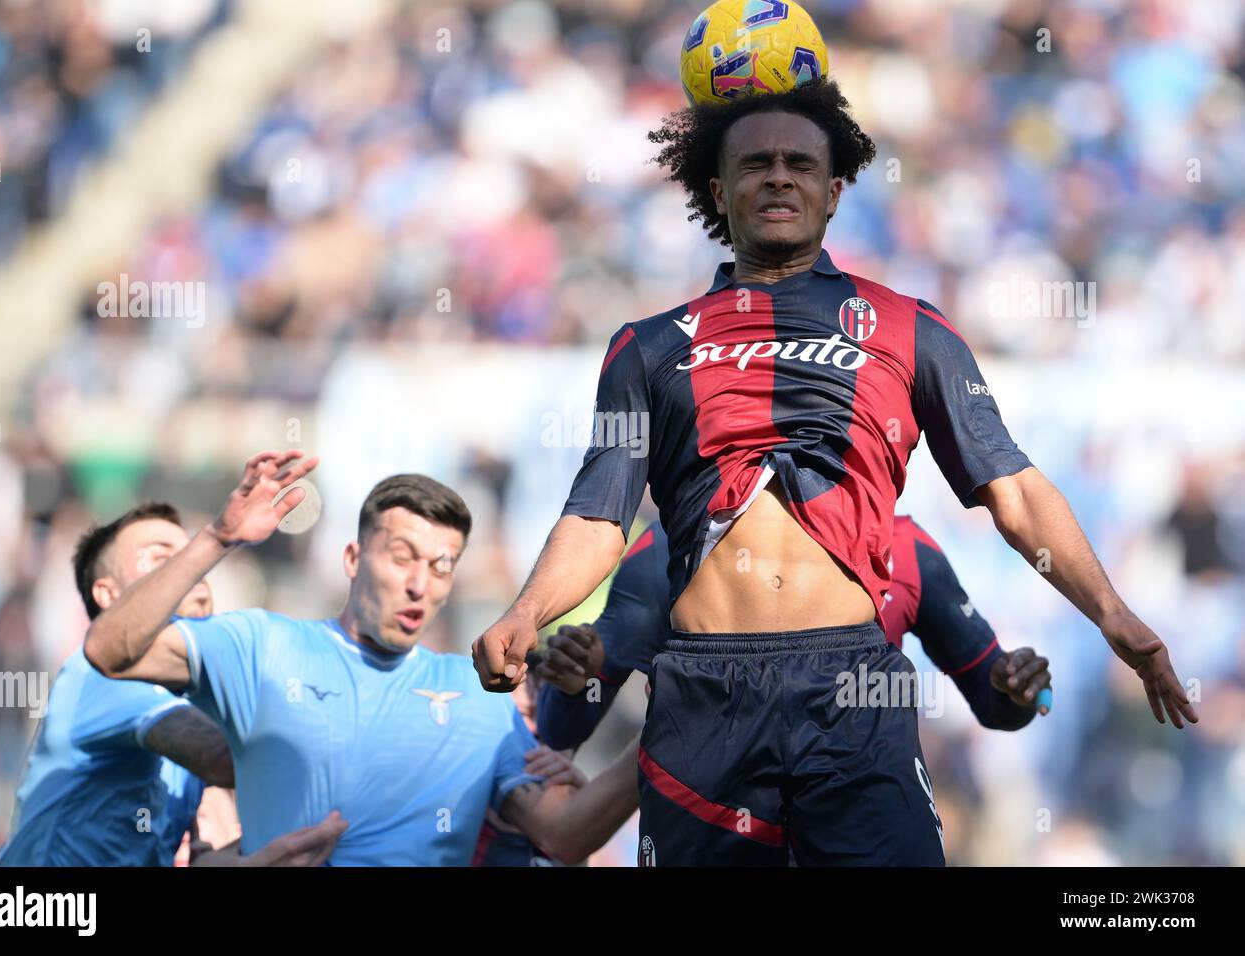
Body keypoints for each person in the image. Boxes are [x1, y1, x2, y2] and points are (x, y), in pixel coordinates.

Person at [472, 80, 1195, 867]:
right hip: (704, 698)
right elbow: (598, 517)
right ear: (719, 189)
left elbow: (1013, 488)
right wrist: (527, 611)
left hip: (852, 685)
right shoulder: (645, 348)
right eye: (755, 163)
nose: (778, 177)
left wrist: (1111, 613)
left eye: (799, 163)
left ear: (835, 188)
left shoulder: (914, 329)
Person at [84, 453, 637, 865]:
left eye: (441, 567)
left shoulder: (477, 696)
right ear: (352, 558)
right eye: (401, 557)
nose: (420, 584)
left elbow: (565, 834)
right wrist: (217, 539)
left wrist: (675, 731)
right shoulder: (262, 646)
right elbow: (109, 650)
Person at [0, 502, 344, 867]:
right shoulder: (100, 675)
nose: (193, 573)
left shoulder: (193, 706)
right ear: (109, 595)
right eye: (166, 560)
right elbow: (223, 757)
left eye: (196, 559)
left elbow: (193, 859)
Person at [534, 517, 1051, 754]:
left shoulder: (907, 551)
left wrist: (1017, 690)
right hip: (711, 823)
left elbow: (997, 701)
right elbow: (562, 731)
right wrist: (575, 683)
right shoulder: (663, 554)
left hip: (856, 817)